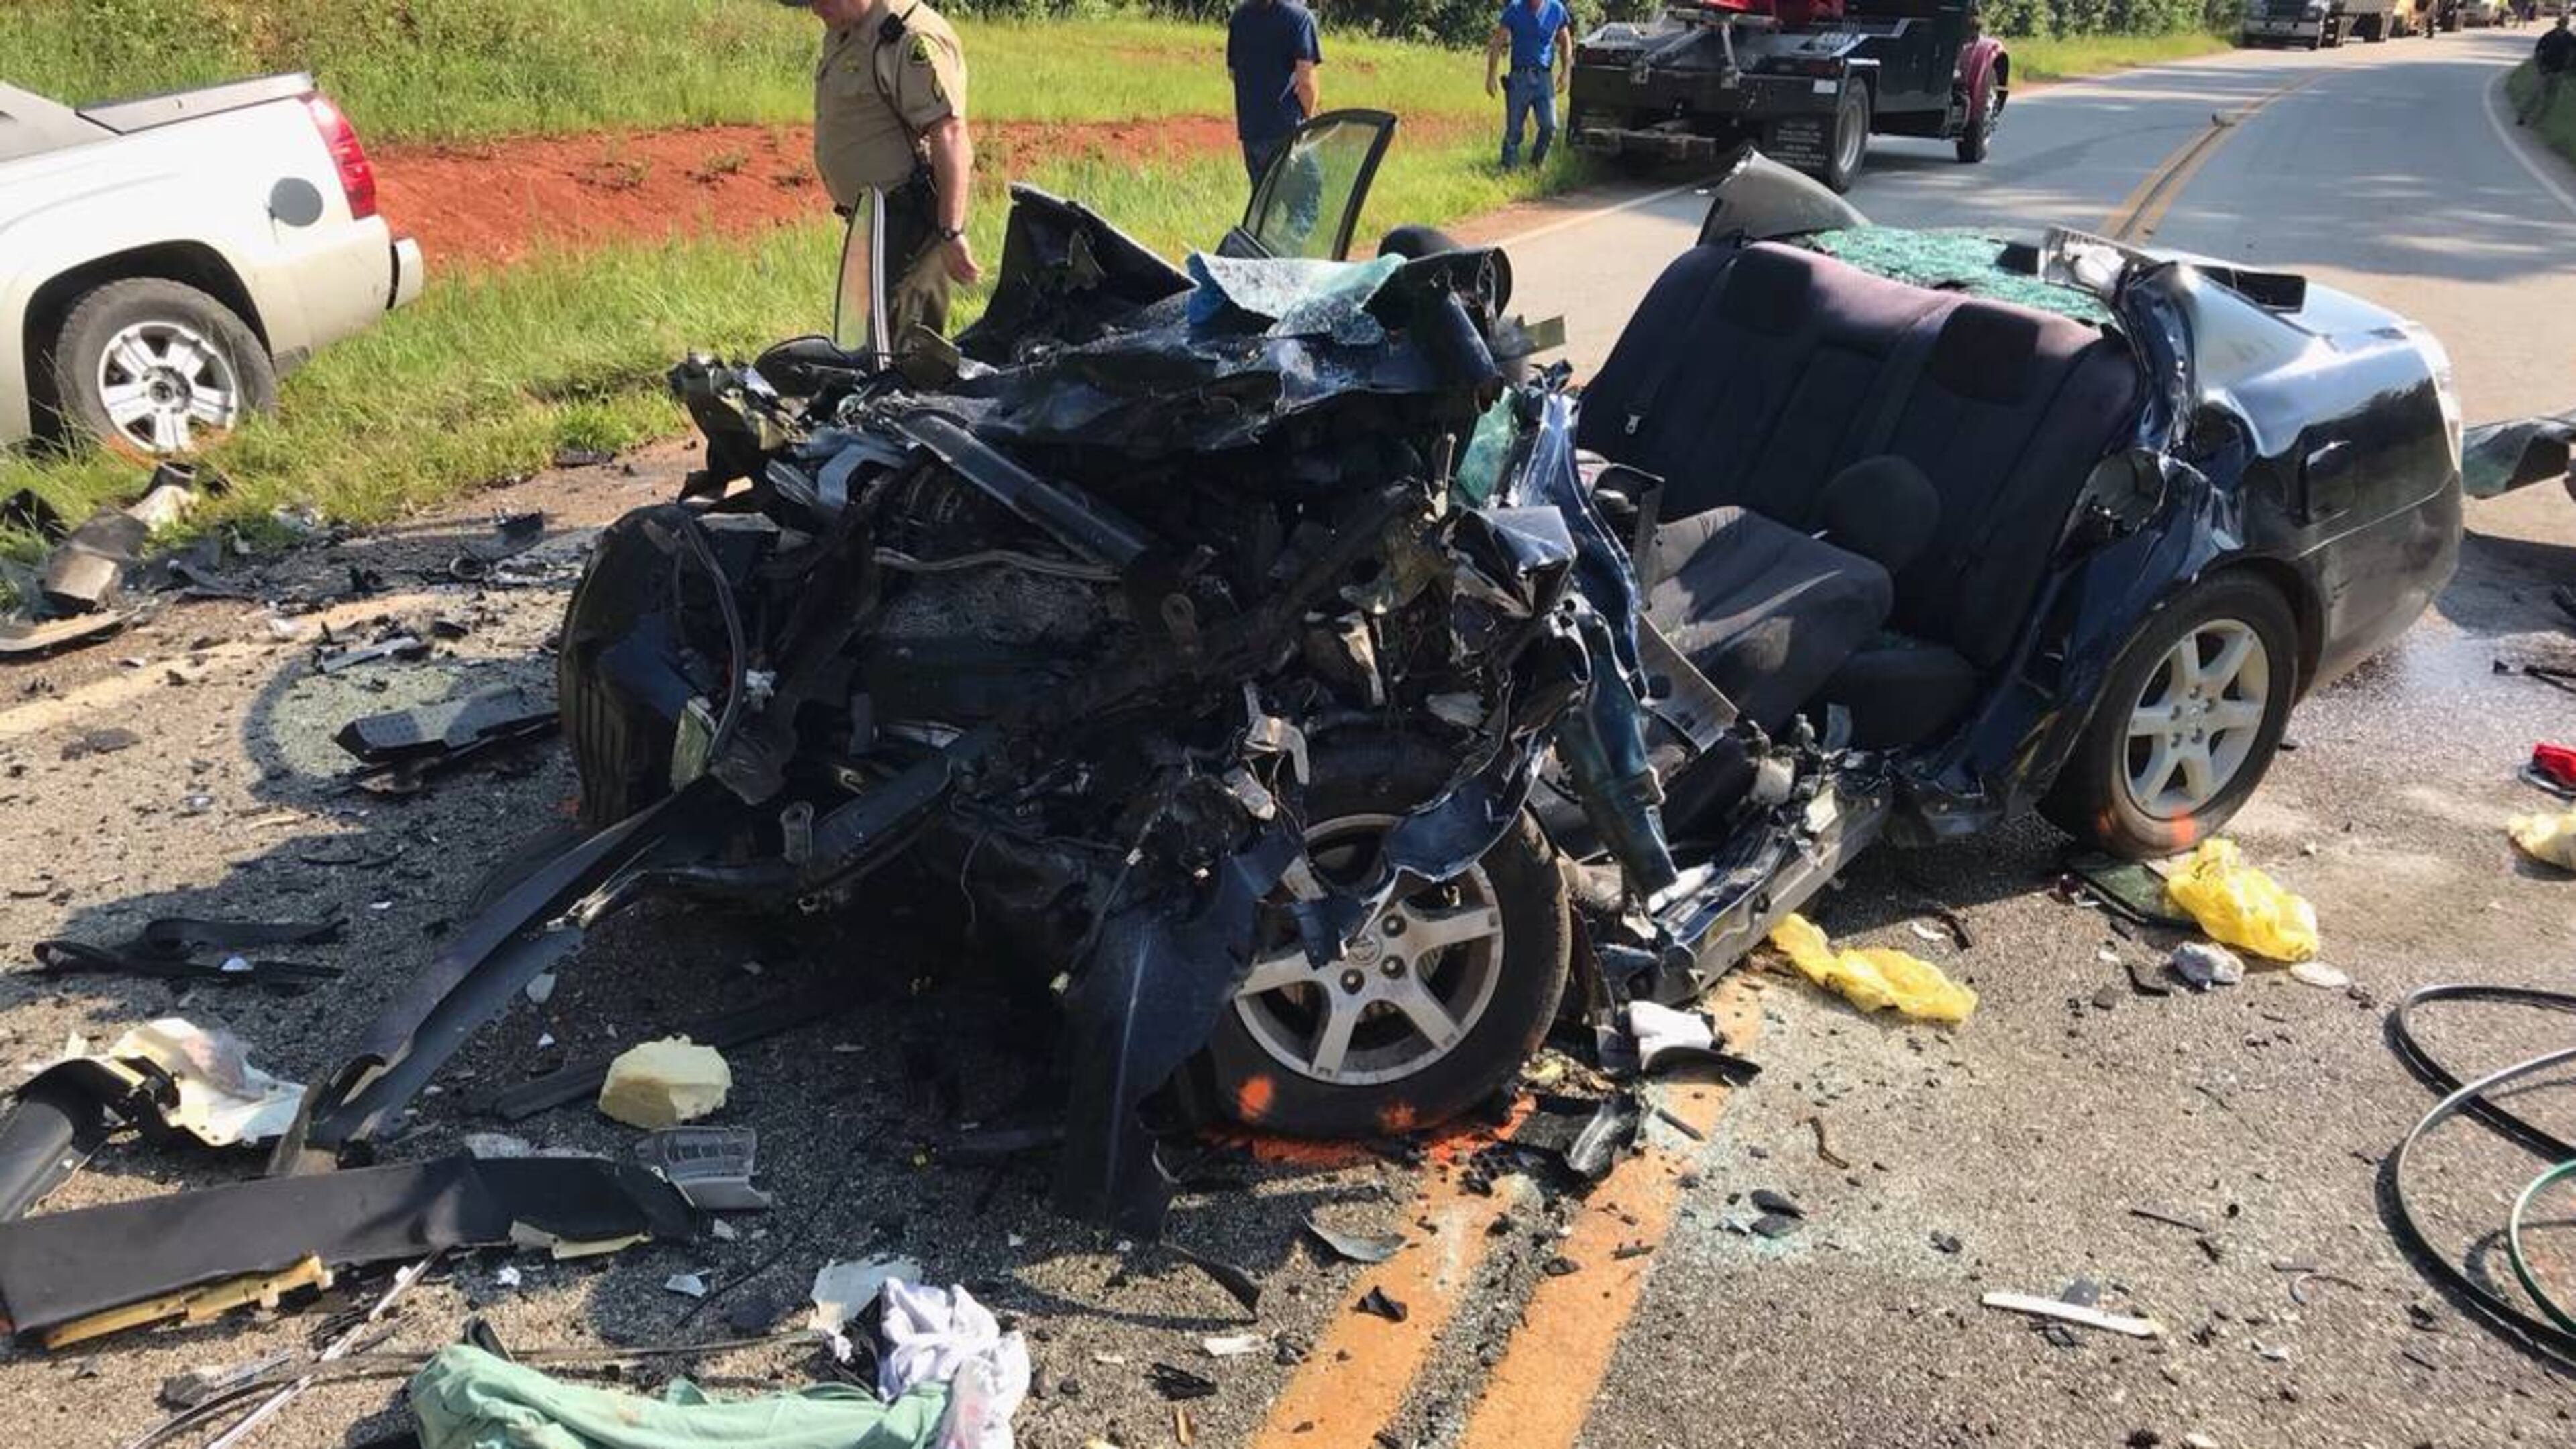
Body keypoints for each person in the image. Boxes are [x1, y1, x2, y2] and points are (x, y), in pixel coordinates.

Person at [802, 0, 979, 350]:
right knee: (865, 344)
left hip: (909, 221)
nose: (815, 10)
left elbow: (950, 133)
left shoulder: (910, 37)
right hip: (873, 221)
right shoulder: (847, 31)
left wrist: (950, 230)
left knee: (901, 352)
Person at [1228, 0, 1322, 186]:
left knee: (1264, 205)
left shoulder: (1239, 17)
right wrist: (1310, 119)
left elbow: (1233, 73)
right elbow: (1306, 83)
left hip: (1251, 132)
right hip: (1288, 131)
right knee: (1305, 200)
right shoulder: (1301, 18)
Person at [1486, 0, 1572, 170]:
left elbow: (1566, 42)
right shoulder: (1515, 8)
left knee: (1550, 125)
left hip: (1544, 78)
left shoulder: (1556, 9)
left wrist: (1566, 71)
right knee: (1514, 131)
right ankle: (1508, 170)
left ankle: (1536, 165)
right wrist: (1491, 76)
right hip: (1519, 77)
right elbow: (1498, 42)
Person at [2523, 13, 2574, 126]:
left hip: (2559, 72)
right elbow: (2538, 51)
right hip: (2544, 70)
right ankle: (2523, 116)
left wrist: (2568, 68)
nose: (2563, 26)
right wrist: (2540, 66)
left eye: (2565, 24)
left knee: (2550, 100)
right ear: (2558, 24)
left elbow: (2573, 54)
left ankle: (2537, 122)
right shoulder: (2549, 36)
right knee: (2535, 95)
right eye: (2561, 23)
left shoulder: (2570, 38)